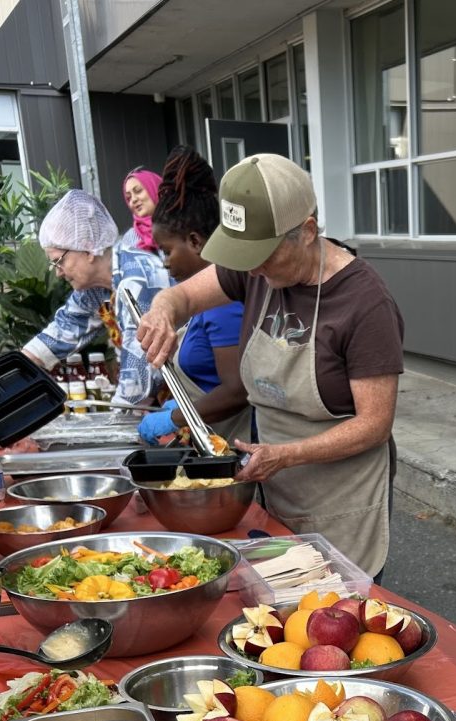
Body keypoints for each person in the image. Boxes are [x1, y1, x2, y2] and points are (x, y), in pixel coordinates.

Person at [137, 154, 404, 578]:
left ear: (308, 232)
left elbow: (375, 423)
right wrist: (161, 311)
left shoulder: (365, 303)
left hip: (341, 495)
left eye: (264, 254)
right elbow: (182, 297)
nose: (253, 268)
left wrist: (288, 455)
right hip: (273, 479)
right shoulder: (253, 268)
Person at [23, 173, 173, 405]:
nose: (58, 272)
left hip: (196, 395)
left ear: (89, 249)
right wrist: (14, 369)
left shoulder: (136, 279)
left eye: (59, 261)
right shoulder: (95, 289)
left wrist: (113, 426)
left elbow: (138, 378)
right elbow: (64, 329)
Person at [137, 147, 250, 445]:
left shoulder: (223, 305)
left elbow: (237, 391)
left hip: (232, 445)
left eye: (167, 250)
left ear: (195, 241)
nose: (164, 261)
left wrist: (176, 417)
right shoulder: (199, 300)